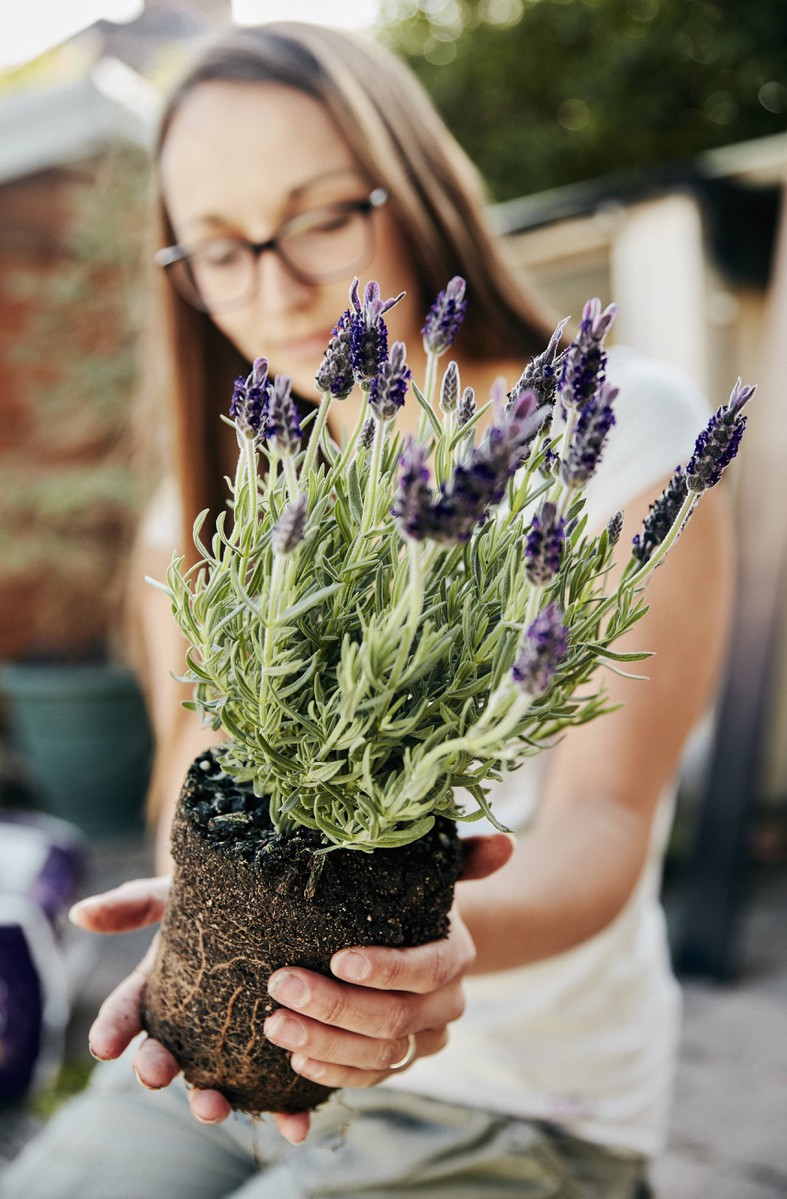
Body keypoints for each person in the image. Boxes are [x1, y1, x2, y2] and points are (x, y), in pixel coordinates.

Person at [1, 20, 735, 1199]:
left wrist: (424, 948)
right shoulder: (203, 502)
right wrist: (202, 911)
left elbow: (604, 824)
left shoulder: (624, 437)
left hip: (506, 1099)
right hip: (229, 1036)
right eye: (217, 248)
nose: (276, 286)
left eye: (320, 215)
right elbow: (213, 770)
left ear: (414, 186)